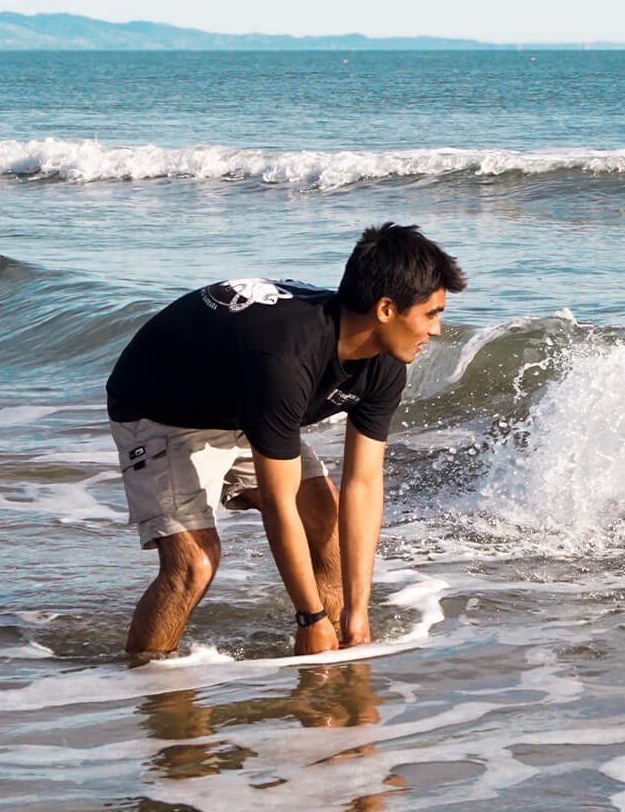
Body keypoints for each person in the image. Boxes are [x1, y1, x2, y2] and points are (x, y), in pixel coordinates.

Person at [106, 223, 466, 659]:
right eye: (431, 313)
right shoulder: (285, 359)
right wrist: (307, 617)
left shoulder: (384, 365)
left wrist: (358, 609)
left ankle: (330, 666)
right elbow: (280, 505)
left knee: (326, 526)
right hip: (161, 406)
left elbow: (363, 485)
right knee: (193, 565)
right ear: (386, 309)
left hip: (241, 402)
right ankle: (148, 689)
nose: (439, 329)